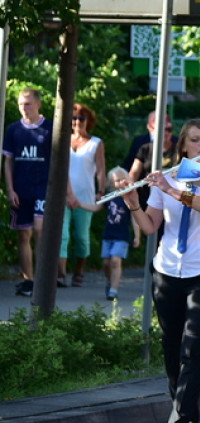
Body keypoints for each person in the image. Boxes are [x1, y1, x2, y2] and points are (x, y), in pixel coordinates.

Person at [120, 119, 200, 423]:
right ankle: (186, 413)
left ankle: (180, 418)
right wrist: (133, 204)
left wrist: (172, 190)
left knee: (193, 345)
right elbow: (152, 225)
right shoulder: (167, 177)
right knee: (171, 347)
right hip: (167, 271)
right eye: (194, 140)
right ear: (183, 147)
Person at [3, 88, 53, 297]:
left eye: (28, 104)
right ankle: (28, 280)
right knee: (24, 234)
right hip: (21, 189)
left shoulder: (49, 128)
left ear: (38, 104)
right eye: (21, 104)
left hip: (42, 187)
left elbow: (58, 161)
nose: (24, 108)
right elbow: (8, 161)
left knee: (40, 230)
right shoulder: (13, 129)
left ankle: (42, 279)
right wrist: (10, 188)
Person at [61, 102, 106, 287]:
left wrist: (101, 192)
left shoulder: (96, 143)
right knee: (62, 236)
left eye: (81, 118)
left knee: (81, 237)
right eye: (74, 118)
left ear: (88, 120)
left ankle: (79, 269)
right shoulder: (63, 140)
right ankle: (61, 273)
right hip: (63, 196)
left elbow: (101, 170)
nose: (77, 121)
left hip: (85, 196)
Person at [100, 167, 141, 301]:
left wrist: (137, 236)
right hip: (108, 235)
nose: (120, 183)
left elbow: (135, 218)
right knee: (106, 263)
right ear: (111, 183)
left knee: (115, 261)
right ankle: (109, 281)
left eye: (123, 179)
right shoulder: (110, 197)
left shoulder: (129, 198)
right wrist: (79, 204)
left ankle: (113, 290)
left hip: (121, 236)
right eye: (117, 181)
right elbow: (96, 207)